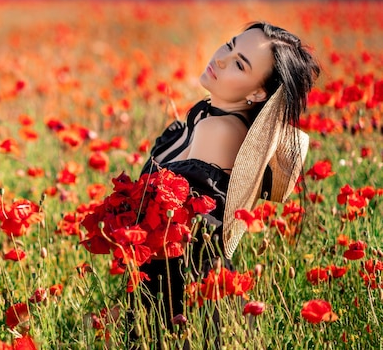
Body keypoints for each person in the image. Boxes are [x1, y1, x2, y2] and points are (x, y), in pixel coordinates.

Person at [130, 22, 321, 348]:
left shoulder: (219, 131)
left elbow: (188, 229)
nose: (220, 59)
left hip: (179, 291)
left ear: (258, 93)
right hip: (180, 282)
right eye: (230, 46)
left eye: (239, 63)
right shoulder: (206, 116)